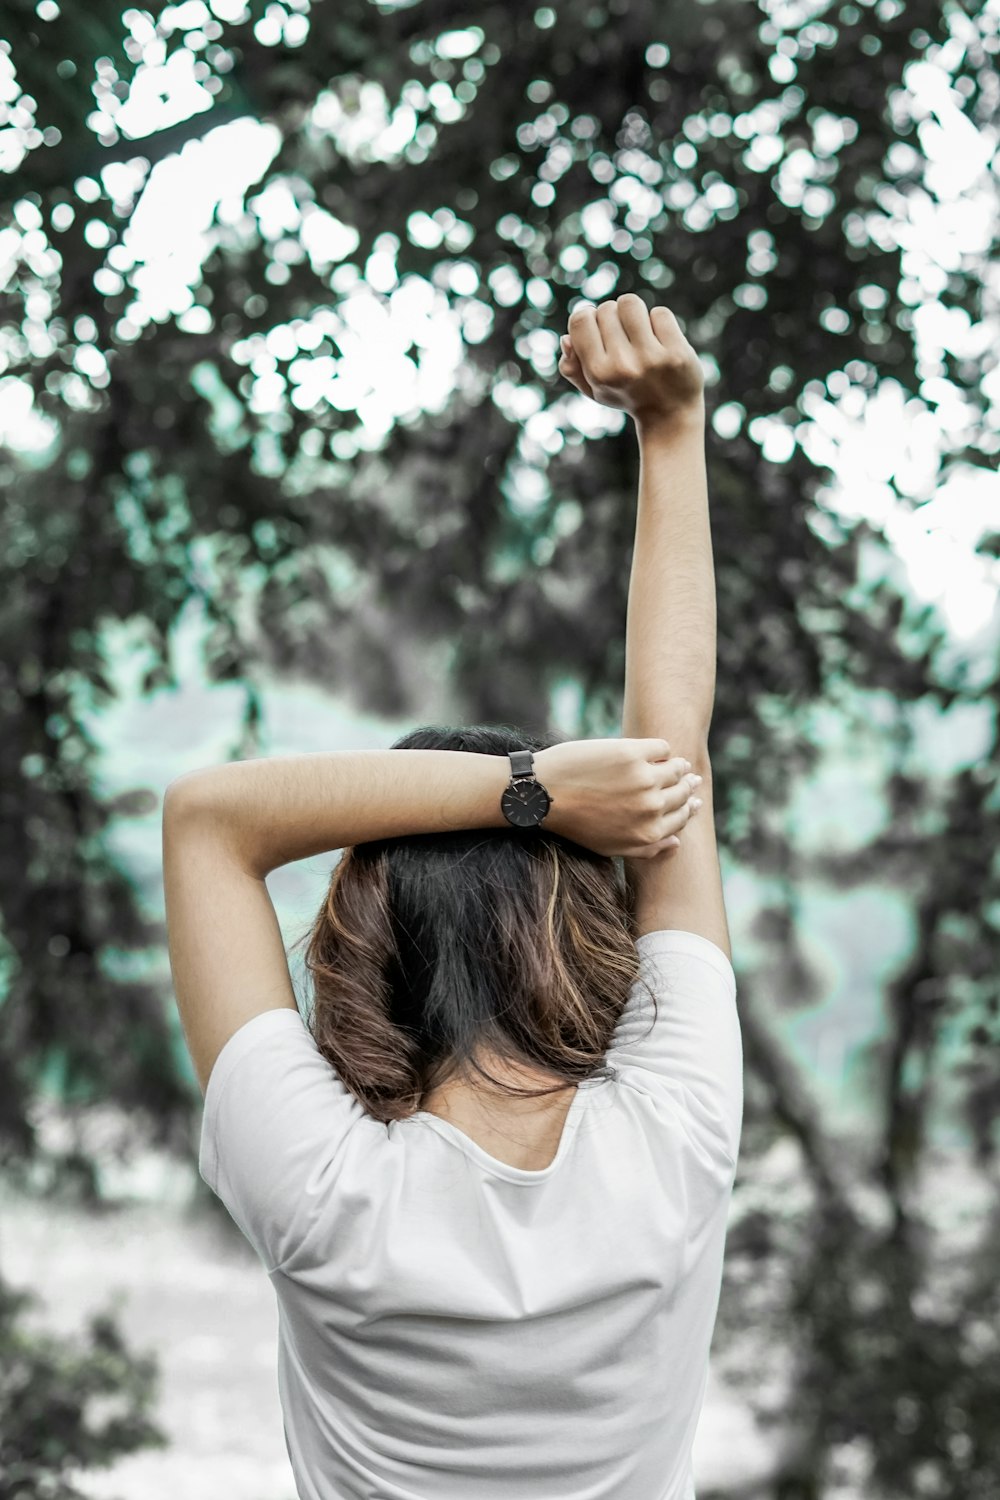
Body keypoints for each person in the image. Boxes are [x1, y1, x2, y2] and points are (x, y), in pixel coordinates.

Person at [163, 293, 741, 1500]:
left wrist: (525, 790)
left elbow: (209, 820)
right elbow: (669, 758)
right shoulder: (669, 1137)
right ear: (584, 927)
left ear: (361, 941)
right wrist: (672, 428)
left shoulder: (319, 1185)